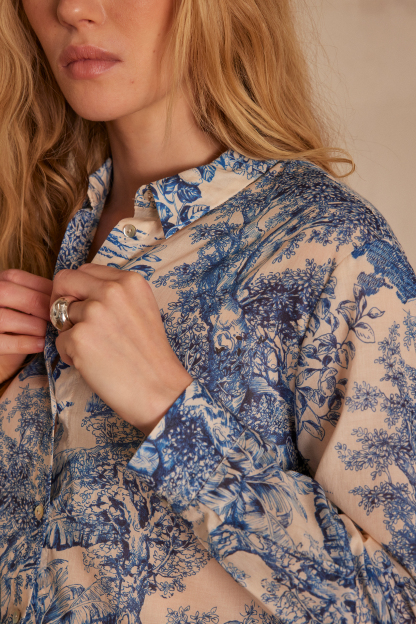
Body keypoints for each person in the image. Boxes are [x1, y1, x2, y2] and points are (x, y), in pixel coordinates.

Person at [0, 0, 415, 622]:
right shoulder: (23, 234)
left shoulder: (331, 250)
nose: (74, 8)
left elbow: (400, 603)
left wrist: (171, 411)